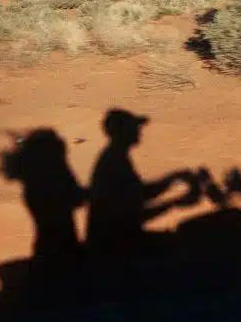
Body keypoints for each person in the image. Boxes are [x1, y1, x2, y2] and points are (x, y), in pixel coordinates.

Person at [86, 109, 200, 255]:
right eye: (134, 127)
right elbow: (133, 215)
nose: (139, 131)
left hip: (115, 241)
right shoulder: (114, 162)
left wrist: (173, 180)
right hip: (115, 247)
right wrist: (174, 202)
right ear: (122, 132)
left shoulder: (115, 158)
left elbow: (140, 195)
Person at [0, 128, 86, 266]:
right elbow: (75, 198)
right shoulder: (53, 179)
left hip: (47, 248)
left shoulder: (34, 181)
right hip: (61, 251)